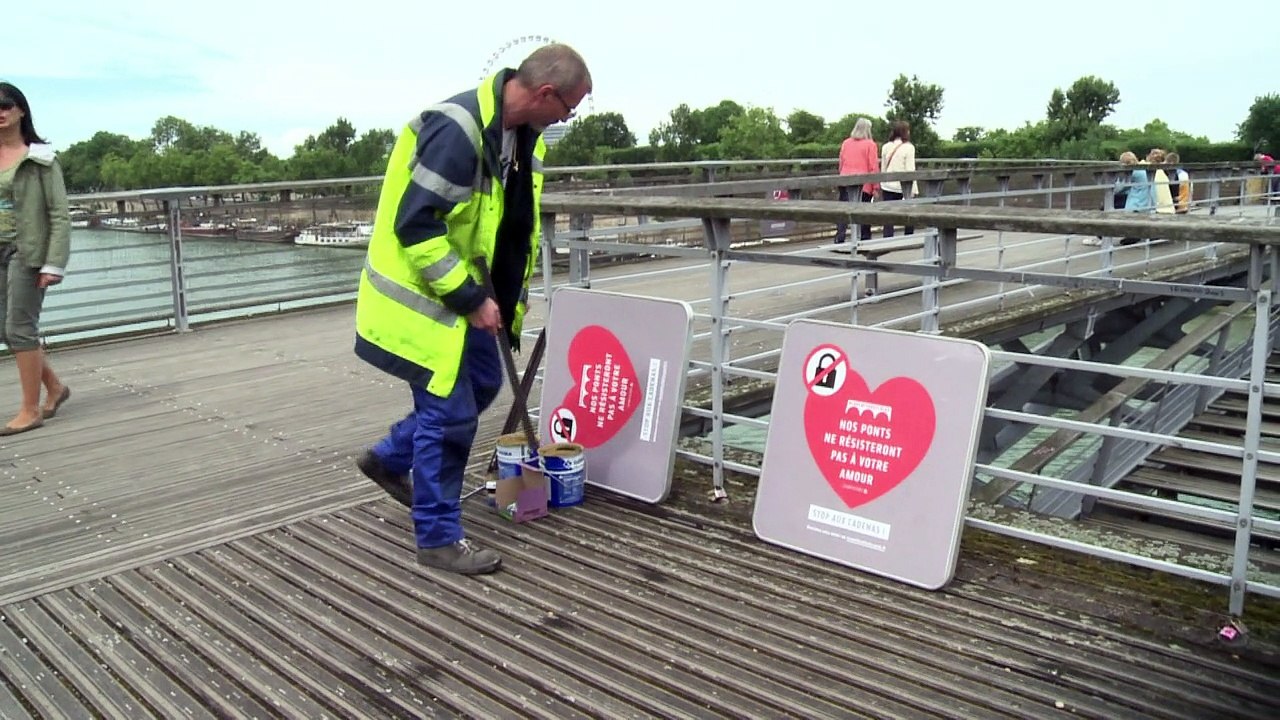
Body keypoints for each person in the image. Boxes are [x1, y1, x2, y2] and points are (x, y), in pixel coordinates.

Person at [353, 44, 591, 575]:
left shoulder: (525, 141)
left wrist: (506, 307)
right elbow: (415, 226)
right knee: (450, 413)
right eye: (568, 109)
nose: (566, 119)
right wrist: (471, 297)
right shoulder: (457, 131)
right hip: (423, 304)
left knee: (484, 384)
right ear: (546, 93)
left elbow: (509, 230)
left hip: (474, 301)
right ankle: (437, 538)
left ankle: (390, 458)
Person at [0, 83, 70, 436]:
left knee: (19, 329)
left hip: (26, 251)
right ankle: (55, 388)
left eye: (6, 105)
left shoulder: (40, 158)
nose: (0, 112)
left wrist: (53, 263)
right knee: (5, 329)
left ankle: (30, 410)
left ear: (21, 111)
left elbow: (59, 214)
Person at [834, 118, 879, 244]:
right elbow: (873, 166)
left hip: (845, 180)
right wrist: (876, 186)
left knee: (843, 210)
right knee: (863, 211)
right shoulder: (870, 145)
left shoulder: (846, 143)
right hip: (864, 183)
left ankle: (840, 237)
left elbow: (841, 162)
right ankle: (864, 237)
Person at [879, 120, 916, 237]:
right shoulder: (909, 148)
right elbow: (910, 170)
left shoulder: (886, 147)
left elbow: (883, 167)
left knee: (888, 214)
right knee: (908, 213)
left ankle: (888, 237)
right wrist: (913, 189)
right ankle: (908, 236)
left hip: (887, 185)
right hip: (903, 186)